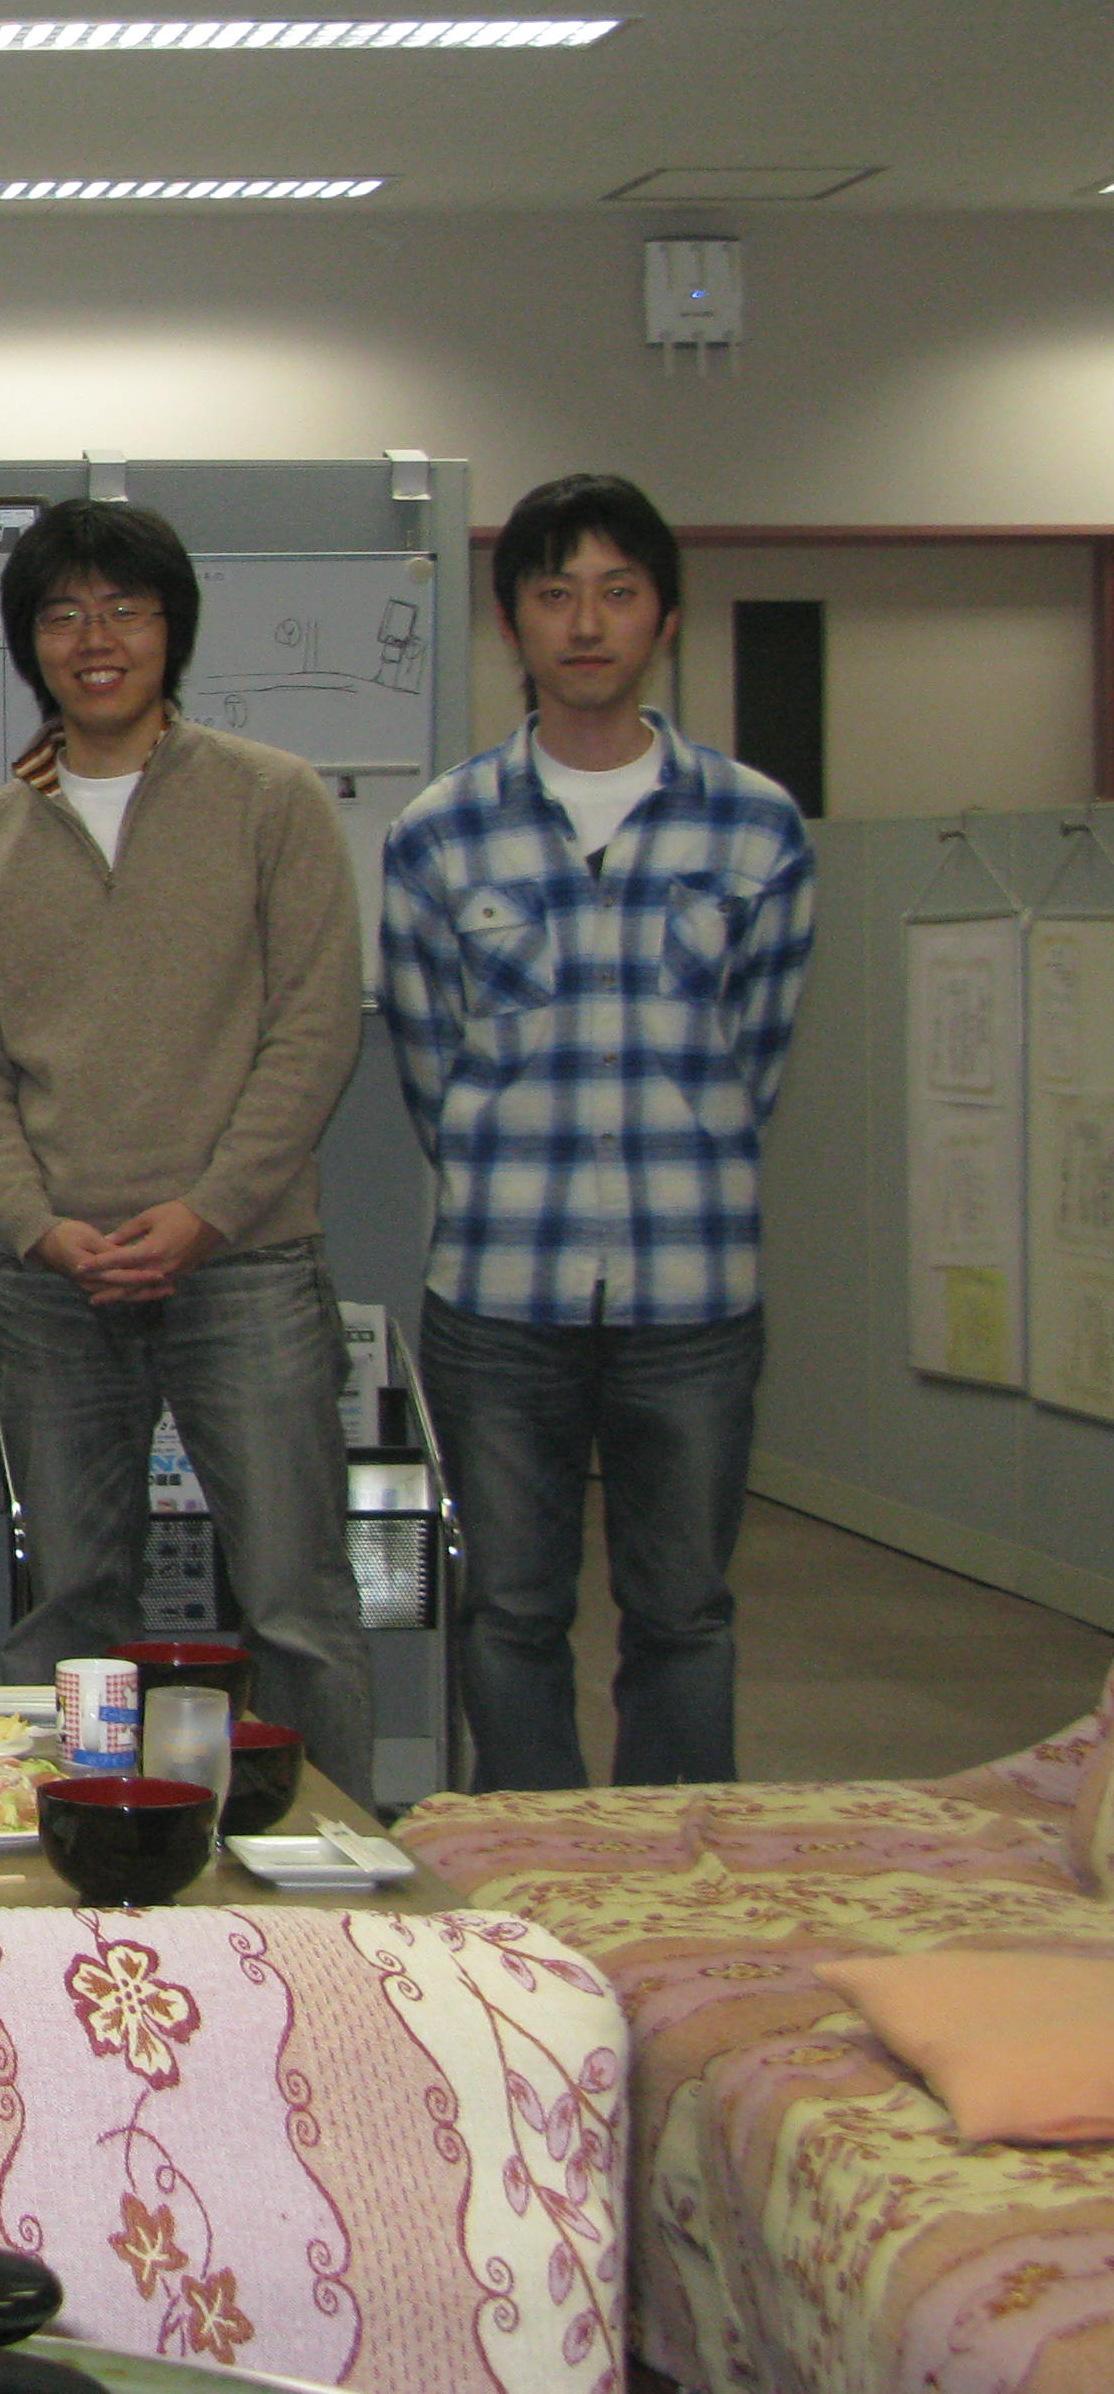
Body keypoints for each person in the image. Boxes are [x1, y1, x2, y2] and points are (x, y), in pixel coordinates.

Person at [0, 496, 376, 1797]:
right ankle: (78, 1840)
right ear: (30, 644)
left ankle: (323, 1855)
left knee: (294, 1602)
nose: (95, 640)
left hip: (246, 1264)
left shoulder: (270, 800)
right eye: (63, 615)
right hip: (55, 1281)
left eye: (124, 609)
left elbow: (312, 1031)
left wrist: (209, 1211)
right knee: (70, 1607)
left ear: (172, 628)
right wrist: (36, 1228)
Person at [382, 474, 814, 1789]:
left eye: (617, 592)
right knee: (509, 1613)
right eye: (555, 593)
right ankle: (530, 1871)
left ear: (664, 619)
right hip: (500, 1294)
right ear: (511, 621)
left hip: (693, 1293)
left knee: (683, 1614)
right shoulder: (440, 831)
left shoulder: (755, 824)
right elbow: (430, 1064)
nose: (585, 622)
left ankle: (672, 1873)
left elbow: (754, 1054)